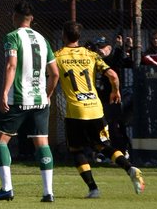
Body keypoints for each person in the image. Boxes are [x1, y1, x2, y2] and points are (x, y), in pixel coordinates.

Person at [53, 22, 144, 198]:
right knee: (103, 146)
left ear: (64, 35)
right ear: (79, 37)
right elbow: (113, 75)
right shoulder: (91, 55)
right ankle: (130, 168)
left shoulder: (58, 56)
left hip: (76, 111)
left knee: (77, 150)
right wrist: (115, 91)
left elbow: (53, 76)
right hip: (95, 108)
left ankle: (93, 189)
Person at [0, 0, 60, 203]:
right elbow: (54, 74)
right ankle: (48, 192)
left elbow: (11, 66)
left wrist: (3, 93)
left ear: (15, 16)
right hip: (39, 101)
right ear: (32, 18)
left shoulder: (12, 37)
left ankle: (7, 188)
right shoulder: (43, 40)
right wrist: (48, 95)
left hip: (18, 99)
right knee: (42, 143)